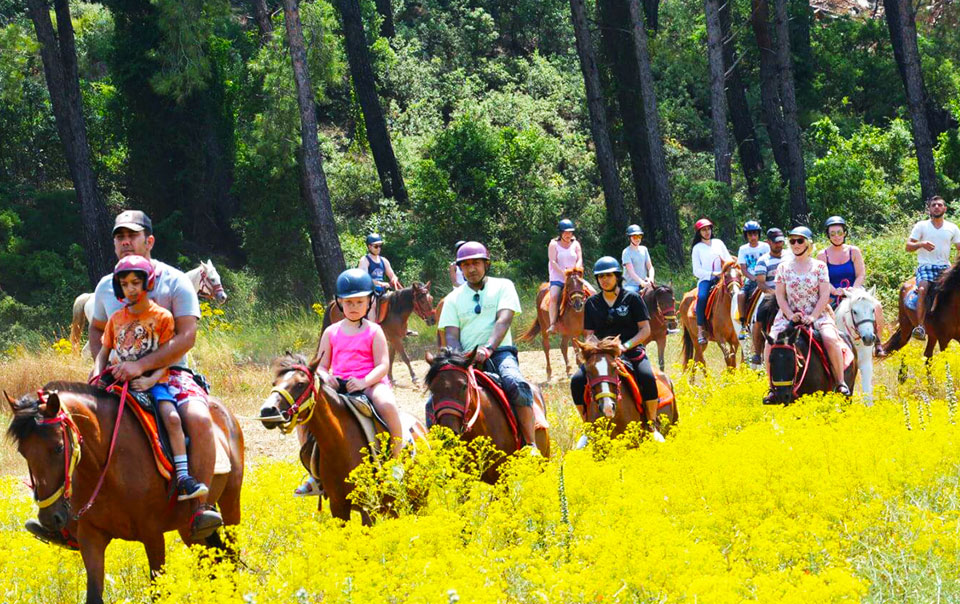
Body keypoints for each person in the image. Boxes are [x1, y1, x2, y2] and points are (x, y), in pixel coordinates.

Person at [77, 210, 217, 540]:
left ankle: (200, 506)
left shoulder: (176, 281)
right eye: (119, 237)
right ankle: (74, 514)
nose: (125, 242)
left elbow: (187, 336)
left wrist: (142, 367)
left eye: (133, 236)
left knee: (197, 417)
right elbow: (98, 331)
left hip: (171, 373)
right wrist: (101, 367)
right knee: (74, 421)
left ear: (149, 241)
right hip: (116, 373)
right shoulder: (106, 287)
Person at [94, 255, 208, 501]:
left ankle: (183, 476)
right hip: (118, 381)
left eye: (136, 282)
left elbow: (167, 356)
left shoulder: (163, 317)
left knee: (173, 418)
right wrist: (96, 375)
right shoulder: (115, 319)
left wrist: (149, 380)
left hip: (154, 381)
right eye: (125, 285)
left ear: (148, 283)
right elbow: (104, 352)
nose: (131, 289)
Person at [437, 241, 540, 454]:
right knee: (436, 399)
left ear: (486, 264)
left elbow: (504, 320)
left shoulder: (504, 286)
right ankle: (441, 453)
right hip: (464, 357)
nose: (471, 269)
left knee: (516, 383)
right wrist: (459, 358)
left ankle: (530, 444)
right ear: (460, 269)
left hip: (500, 352)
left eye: (476, 263)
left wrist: (489, 348)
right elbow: (451, 334)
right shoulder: (453, 298)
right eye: (465, 265)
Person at [764, 226, 851, 402]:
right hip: (789, 315)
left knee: (830, 338)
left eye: (800, 240)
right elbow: (780, 295)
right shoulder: (783, 267)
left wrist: (813, 316)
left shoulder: (819, 266)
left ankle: (840, 382)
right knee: (770, 343)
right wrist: (789, 315)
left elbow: (825, 295)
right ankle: (772, 387)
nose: (796, 244)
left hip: (817, 314)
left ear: (808, 243)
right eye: (792, 241)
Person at [569, 257, 658, 425]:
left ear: (617, 276)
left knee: (647, 376)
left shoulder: (632, 298)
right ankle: (587, 424)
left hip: (630, 350)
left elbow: (645, 330)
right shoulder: (591, 304)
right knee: (577, 380)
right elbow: (588, 334)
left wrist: (624, 346)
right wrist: (596, 345)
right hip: (601, 354)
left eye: (608, 275)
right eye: (600, 277)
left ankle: (652, 422)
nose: (604, 280)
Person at [818, 216, 884, 355]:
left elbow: (860, 274)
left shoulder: (853, 251)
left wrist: (852, 290)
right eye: (832, 234)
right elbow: (822, 279)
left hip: (854, 289)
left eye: (839, 233)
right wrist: (835, 291)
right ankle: (823, 346)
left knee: (876, 305)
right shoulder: (822, 255)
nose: (836, 237)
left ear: (845, 233)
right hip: (832, 292)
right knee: (821, 313)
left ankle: (877, 342)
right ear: (828, 235)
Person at [906, 196, 960, 340]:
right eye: (933, 205)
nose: (936, 207)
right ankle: (920, 327)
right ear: (929, 208)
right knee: (923, 288)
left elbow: (959, 247)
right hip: (926, 266)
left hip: (945, 267)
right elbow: (908, 246)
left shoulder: (952, 227)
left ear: (945, 208)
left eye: (940, 205)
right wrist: (921, 244)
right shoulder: (921, 226)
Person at [691, 218, 733, 346]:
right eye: (703, 230)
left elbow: (728, 258)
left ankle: (744, 324)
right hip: (707, 279)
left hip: (724, 277)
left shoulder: (718, 243)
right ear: (699, 232)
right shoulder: (697, 248)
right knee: (702, 297)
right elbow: (696, 270)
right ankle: (700, 329)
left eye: (708, 229)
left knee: (738, 292)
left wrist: (728, 268)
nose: (707, 232)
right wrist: (712, 273)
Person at [546, 219, 585, 334]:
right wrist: (564, 273)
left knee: (592, 292)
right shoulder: (553, 244)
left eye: (570, 232)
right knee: (553, 297)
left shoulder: (576, 244)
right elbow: (552, 261)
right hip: (558, 278)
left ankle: (595, 320)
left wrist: (575, 271)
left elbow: (579, 258)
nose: (568, 235)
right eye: (566, 232)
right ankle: (553, 324)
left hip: (575, 278)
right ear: (561, 233)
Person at [737, 220, 770, 340]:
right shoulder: (743, 249)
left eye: (755, 234)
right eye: (750, 235)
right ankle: (743, 324)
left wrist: (763, 277)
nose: (753, 237)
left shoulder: (765, 247)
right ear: (746, 236)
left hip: (766, 277)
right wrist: (753, 278)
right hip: (751, 278)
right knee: (740, 295)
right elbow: (743, 269)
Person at [358, 233, 402, 321]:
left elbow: (392, 275)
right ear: (369, 247)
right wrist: (380, 283)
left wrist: (394, 279)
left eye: (380, 246)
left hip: (382, 291)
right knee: (372, 303)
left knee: (398, 301)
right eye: (376, 246)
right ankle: (373, 327)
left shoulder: (384, 260)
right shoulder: (364, 260)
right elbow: (365, 278)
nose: (378, 248)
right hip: (369, 291)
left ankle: (400, 326)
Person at [621, 224, 655, 294]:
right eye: (635, 237)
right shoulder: (626, 252)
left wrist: (651, 279)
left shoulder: (644, 249)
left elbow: (650, 267)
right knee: (630, 297)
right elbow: (631, 272)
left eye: (639, 236)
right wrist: (642, 283)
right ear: (629, 238)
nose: (637, 239)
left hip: (645, 283)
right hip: (631, 285)